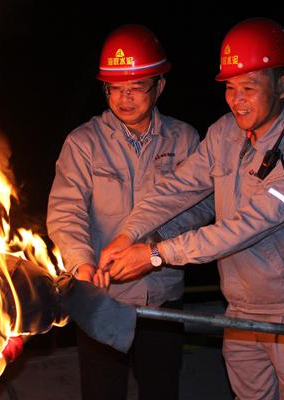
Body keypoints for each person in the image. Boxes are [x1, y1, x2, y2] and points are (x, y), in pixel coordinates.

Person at [99, 17, 284, 400]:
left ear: (283, 84)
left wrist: (156, 254)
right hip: (240, 308)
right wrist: (129, 234)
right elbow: (178, 187)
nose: (236, 99)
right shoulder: (225, 133)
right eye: (230, 87)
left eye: (249, 87)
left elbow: (242, 229)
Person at [46, 24, 213, 400]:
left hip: (162, 297)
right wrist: (81, 264)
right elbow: (65, 211)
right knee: (102, 392)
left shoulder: (184, 139)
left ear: (159, 86)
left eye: (136, 87)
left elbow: (203, 204)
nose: (124, 98)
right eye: (115, 88)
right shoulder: (83, 143)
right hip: (101, 297)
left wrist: (153, 244)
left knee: (161, 390)